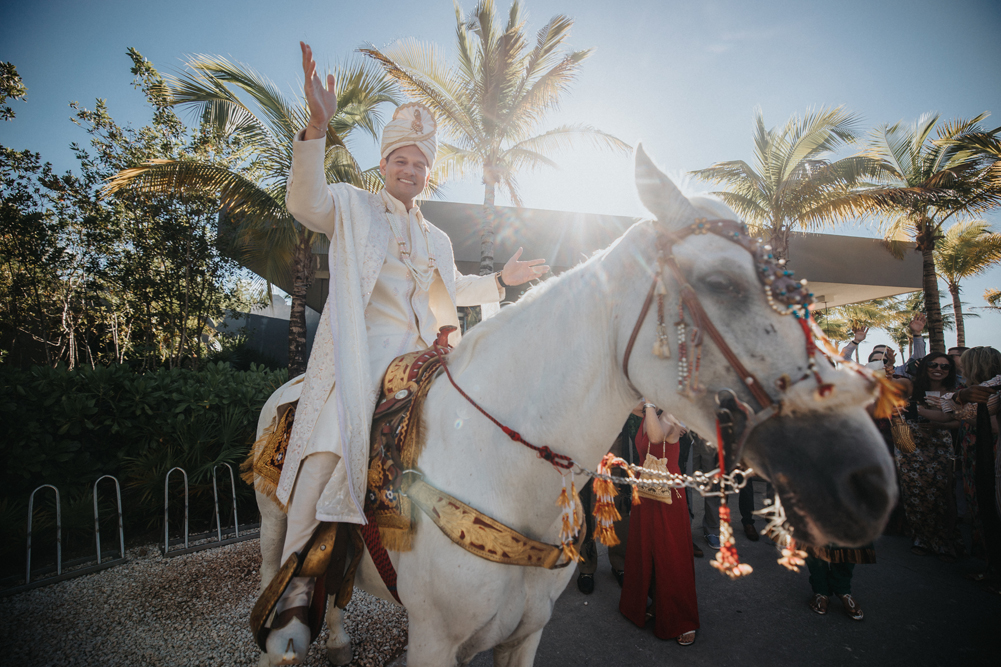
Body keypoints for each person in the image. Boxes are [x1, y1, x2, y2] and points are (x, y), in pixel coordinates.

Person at [263, 42, 550, 663]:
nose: (410, 170)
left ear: (429, 172)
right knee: (328, 450)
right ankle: (298, 588)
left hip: (424, 360)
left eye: (420, 163)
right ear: (384, 162)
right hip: (361, 359)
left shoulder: (437, 236)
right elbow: (303, 203)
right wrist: (316, 128)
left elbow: (451, 297)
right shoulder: (350, 205)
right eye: (400, 159)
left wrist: (502, 283)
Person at [619, 404, 699, 645]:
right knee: (646, 549)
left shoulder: (674, 413)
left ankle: (682, 620)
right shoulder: (649, 412)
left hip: (668, 497)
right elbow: (624, 401)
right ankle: (654, 603)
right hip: (645, 492)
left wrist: (650, 402)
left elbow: (655, 436)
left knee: (671, 554)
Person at [942, 347, 1001, 589]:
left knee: (991, 509)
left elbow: (969, 414)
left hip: (990, 455)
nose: (959, 366)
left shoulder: (992, 388)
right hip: (984, 455)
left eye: (963, 362)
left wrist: (956, 400)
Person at [897, 353, 962, 560]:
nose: (939, 369)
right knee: (915, 495)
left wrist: (938, 424)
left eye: (945, 367)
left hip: (939, 445)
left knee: (944, 494)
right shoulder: (911, 388)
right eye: (933, 364)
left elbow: (957, 422)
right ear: (924, 366)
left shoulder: (955, 393)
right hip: (911, 446)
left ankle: (945, 540)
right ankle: (921, 539)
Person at [576, 403, 641, 593]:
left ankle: (619, 564)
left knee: (620, 514)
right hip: (586, 452)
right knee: (585, 514)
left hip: (615, 453)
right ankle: (586, 568)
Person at [841, 313, 926, 377]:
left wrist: (916, 333)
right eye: (875, 361)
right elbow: (843, 358)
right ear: (868, 363)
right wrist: (856, 341)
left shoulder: (901, 371)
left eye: (884, 361)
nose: (880, 365)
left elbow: (919, 358)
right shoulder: (864, 372)